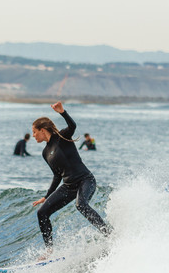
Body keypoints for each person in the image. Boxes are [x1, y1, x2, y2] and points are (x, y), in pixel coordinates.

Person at [31, 101, 110, 253]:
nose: (33, 135)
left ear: (42, 130)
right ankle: (49, 251)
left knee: (81, 205)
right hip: (69, 186)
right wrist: (46, 196)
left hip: (85, 180)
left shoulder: (62, 136)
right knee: (42, 213)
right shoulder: (45, 152)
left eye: (34, 132)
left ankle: (108, 234)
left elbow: (72, 126)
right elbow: (57, 176)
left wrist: (62, 112)